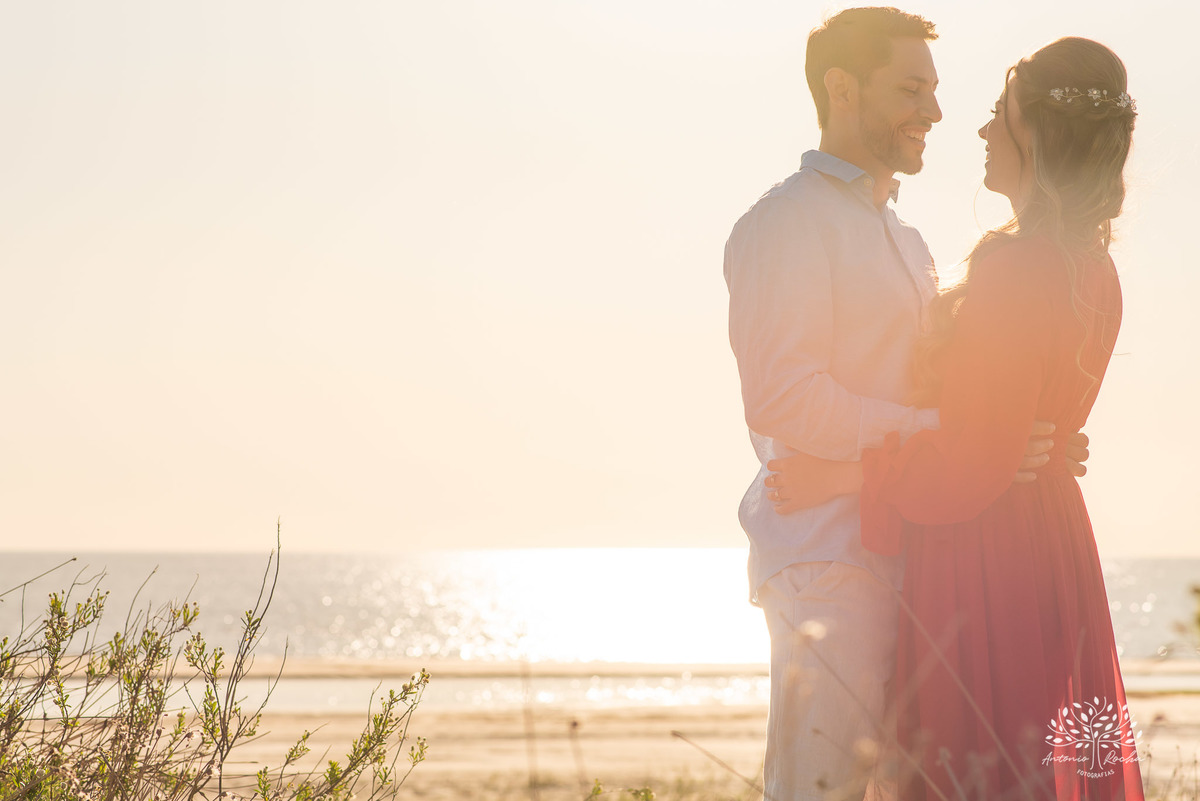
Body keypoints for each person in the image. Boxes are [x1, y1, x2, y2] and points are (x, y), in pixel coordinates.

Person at [764, 37, 1141, 798]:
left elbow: (971, 467)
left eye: (1001, 113)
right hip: (1049, 537)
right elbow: (1004, 436)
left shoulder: (1017, 269)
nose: (980, 128)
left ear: (1036, 132)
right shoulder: (1091, 265)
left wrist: (839, 476)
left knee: (976, 762)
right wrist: (1024, 447)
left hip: (989, 551)